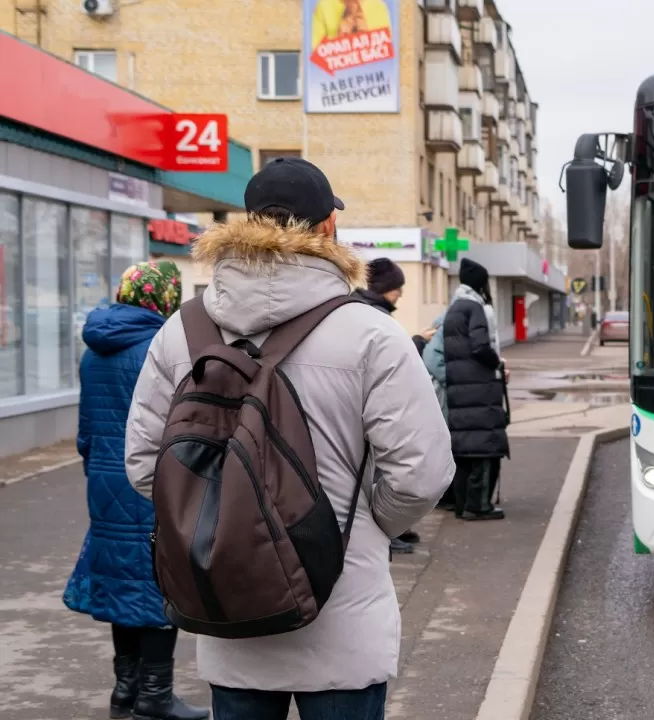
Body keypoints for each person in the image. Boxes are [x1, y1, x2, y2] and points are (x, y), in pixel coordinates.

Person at [124, 156, 454, 720]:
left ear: (247, 224)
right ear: (329, 227)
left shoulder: (183, 329)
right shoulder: (372, 332)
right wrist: (369, 527)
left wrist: (219, 521)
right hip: (342, 612)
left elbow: (144, 463)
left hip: (230, 609)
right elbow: (420, 472)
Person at [63, 261, 207, 720]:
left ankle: (124, 690)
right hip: (150, 480)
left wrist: (97, 474)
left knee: (123, 584)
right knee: (157, 583)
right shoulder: (157, 348)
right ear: (165, 298)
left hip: (105, 482)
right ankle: (155, 695)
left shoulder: (94, 351)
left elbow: (86, 431)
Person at [350, 257, 437, 553]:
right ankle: (387, 533)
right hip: (372, 407)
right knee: (382, 470)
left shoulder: (366, 310)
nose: (400, 293)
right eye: (397, 287)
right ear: (385, 288)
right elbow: (384, 360)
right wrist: (416, 341)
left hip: (368, 405)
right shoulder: (373, 315)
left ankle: (394, 530)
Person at [442, 258, 509, 521]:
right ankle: (479, 506)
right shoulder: (475, 308)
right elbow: (481, 346)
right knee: (485, 447)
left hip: (460, 391)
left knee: (465, 450)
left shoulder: (455, 308)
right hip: (480, 390)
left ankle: (462, 504)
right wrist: (498, 364)